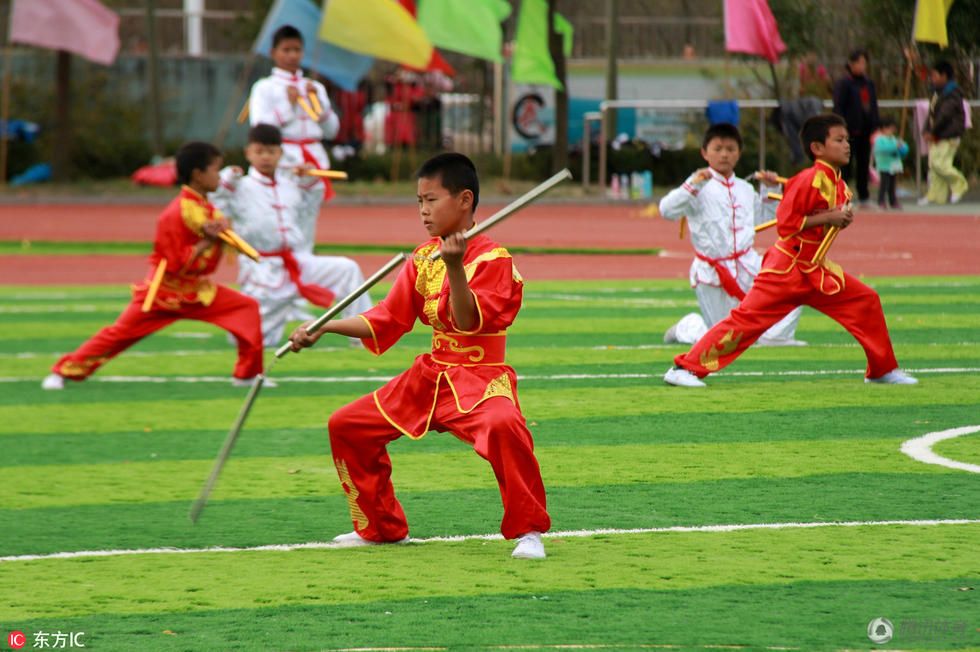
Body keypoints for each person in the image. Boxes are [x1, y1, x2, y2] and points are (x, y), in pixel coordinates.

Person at [287, 153, 551, 559]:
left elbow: (467, 323)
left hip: (480, 377)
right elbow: (387, 319)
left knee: (504, 426)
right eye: (419, 202)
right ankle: (380, 527)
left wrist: (457, 267)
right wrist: (324, 328)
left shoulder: (493, 258)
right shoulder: (424, 257)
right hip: (429, 377)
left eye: (431, 200)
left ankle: (528, 530)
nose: (423, 211)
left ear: (464, 200)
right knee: (347, 426)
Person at [663, 114, 917, 388]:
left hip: (815, 267)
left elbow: (812, 223)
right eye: (839, 140)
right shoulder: (807, 179)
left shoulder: (837, 182)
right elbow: (786, 224)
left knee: (866, 300)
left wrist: (838, 220)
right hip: (785, 269)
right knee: (744, 323)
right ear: (817, 148)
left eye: (847, 140)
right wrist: (829, 218)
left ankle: (881, 369)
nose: (847, 145)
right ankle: (683, 368)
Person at [42, 142, 265, 390]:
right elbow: (173, 263)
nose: (218, 177)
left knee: (247, 308)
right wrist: (207, 242)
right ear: (198, 174)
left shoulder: (206, 206)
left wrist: (223, 236)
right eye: (215, 170)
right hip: (163, 292)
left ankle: (246, 376)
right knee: (118, 335)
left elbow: (208, 262)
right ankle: (63, 372)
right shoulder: (174, 213)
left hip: (197, 290)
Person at [209, 124, 370, 348]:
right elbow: (215, 202)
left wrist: (308, 178)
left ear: (280, 153)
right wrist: (227, 178)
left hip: (298, 262)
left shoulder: (290, 185)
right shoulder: (240, 187)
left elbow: (311, 205)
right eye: (259, 151)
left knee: (346, 269)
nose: (265, 157)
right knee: (253, 340)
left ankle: (362, 337)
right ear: (248, 153)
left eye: (271, 151)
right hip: (262, 270)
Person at [659, 122, 805, 346]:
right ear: (704, 153)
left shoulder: (745, 188)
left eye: (730, 149)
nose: (724, 155)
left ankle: (777, 336)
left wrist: (769, 190)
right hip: (712, 271)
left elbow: (765, 220)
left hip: (749, 264)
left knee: (793, 288)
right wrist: (691, 185)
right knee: (723, 342)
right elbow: (666, 210)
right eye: (717, 149)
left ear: (739, 153)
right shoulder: (697, 186)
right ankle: (689, 327)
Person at [248, 25, 340, 201]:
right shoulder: (265, 87)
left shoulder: (315, 88)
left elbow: (332, 131)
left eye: (296, 50)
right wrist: (287, 106)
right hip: (283, 161)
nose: (292, 56)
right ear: (273, 53)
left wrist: (318, 106)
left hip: (314, 160)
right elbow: (259, 129)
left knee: (308, 216)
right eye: (286, 50)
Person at [832, 48, 880, 205]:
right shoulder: (844, 83)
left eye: (864, 63)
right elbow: (838, 106)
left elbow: (873, 105)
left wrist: (875, 125)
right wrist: (841, 128)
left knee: (863, 163)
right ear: (851, 64)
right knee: (846, 164)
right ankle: (843, 195)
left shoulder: (868, 83)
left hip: (865, 130)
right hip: (849, 130)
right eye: (859, 62)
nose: (862, 66)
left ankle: (864, 195)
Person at [919, 60, 968, 205]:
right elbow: (932, 113)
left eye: (934, 75)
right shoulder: (936, 92)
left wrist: (933, 131)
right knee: (933, 166)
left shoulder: (952, 94)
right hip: (938, 135)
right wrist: (926, 130)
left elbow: (944, 116)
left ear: (944, 76)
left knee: (940, 163)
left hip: (949, 135)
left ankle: (960, 185)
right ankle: (936, 195)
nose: (931, 78)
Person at [871, 116, 909, 210]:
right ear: (884, 128)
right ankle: (881, 201)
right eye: (890, 128)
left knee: (892, 185)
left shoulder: (894, 139)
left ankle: (893, 200)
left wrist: (902, 147)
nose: (892, 131)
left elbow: (903, 149)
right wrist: (896, 146)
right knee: (884, 184)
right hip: (884, 166)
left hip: (893, 166)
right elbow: (884, 149)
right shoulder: (880, 140)